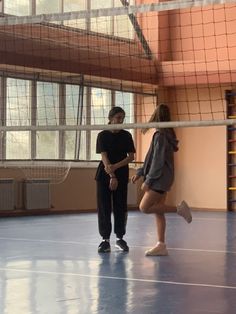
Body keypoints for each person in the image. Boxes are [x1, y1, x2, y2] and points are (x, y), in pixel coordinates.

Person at [131, 104, 192, 256]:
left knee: (144, 207)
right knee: (158, 211)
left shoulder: (160, 136)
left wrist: (148, 181)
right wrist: (140, 172)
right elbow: (150, 157)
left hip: (159, 178)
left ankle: (179, 209)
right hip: (164, 178)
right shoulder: (164, 134)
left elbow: (157, 162)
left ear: (156, 116)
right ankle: (161, 245)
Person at [95, 106, 136, 253]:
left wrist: (116, 168)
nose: (121, 120)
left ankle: (120, 238)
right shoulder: (102, 135)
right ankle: (105, 240)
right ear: (111, 118)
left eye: (123, 118)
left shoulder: (126, 135)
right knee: (104, 207)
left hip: (121, 173)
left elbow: (131, 157)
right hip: (104, 174)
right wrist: (111, 174)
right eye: (118, 118)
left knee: (120, 206)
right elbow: (104, 157)